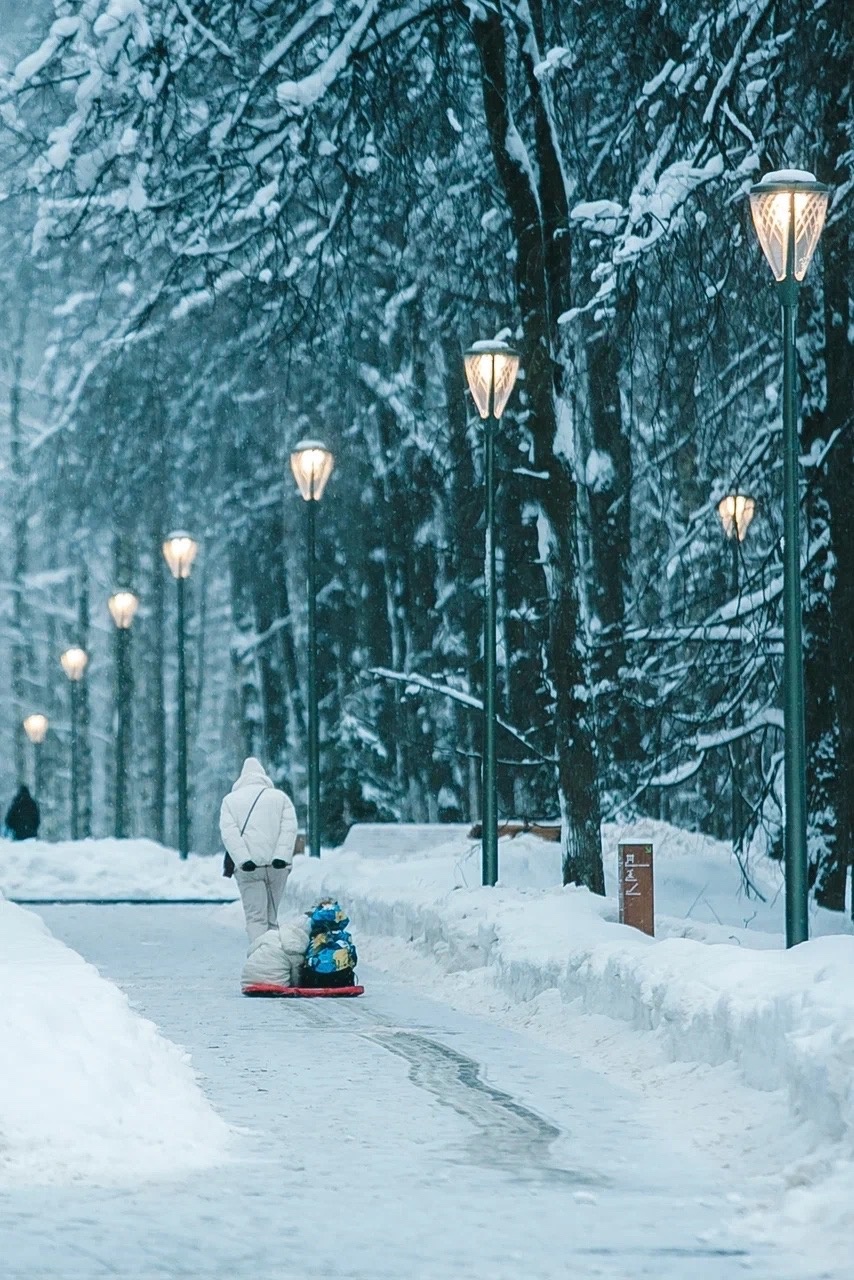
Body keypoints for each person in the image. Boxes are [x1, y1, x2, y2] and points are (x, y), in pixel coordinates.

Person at [220, 757, 298, 944]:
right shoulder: (280, 799)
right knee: (272, 918)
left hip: (249, 869)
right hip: (277, 868)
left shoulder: (230, 801)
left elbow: (229, 834)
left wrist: (243, 859)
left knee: (256, 918)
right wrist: (281, 857)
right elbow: (289, 829)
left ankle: (260, 963)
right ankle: (273, 963)